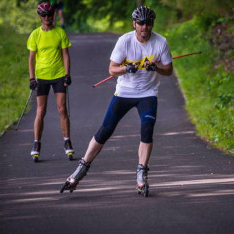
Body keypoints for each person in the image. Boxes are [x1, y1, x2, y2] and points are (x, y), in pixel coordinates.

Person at [61, 6, 173, 196]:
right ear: (134, 24)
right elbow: (112, 69)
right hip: (124, 92)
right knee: (105, 130)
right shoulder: (125, 41)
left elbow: (168, 70)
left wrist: (156, 68)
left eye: (149, 23)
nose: (145, 27)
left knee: (147, 130)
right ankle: (80, 170)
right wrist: (127, 68)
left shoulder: (160, 42)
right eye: (141, 23)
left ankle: (141, 174)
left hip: (148, 93)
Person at [27, 2, 74, 162]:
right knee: (41, 111)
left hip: (59, 75)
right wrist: (32, 78)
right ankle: (36, 143)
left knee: (62, 109)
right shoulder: (35, 35)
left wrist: (67, 74)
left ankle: (67, 142)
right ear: (40, 17)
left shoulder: (60, 33)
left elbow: (66, 54)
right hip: (42, 77)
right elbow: (31, 58)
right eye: (44, 15)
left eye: (50, 14)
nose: (47, 17)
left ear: (54, 15)